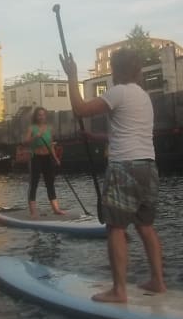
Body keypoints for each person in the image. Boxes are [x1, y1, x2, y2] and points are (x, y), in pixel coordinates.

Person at [60, 47, 164, 303]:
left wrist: (72, 76)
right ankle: (158, 281)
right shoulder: (143, 96)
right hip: (148, 167)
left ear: (116, 70)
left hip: (124, 168)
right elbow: (126, 131)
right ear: (138, 71)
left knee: (115, 228)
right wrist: (95, 137)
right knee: (146, 226)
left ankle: (119, 291)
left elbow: (80, 108)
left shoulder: (119, 91)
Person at [24, 107, 65, 217]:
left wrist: (56, 158)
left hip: (47, 158)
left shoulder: (49, 128)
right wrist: (35, 137)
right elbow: (26, 141)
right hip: (36, 157)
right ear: (36, 117)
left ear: (45, 116)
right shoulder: (31, 128)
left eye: (43, 115)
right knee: (34, 184)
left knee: (50, 183)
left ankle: (56, 209)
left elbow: (51, 145)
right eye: (39, 115)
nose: (41, 117)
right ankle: (33, 212)